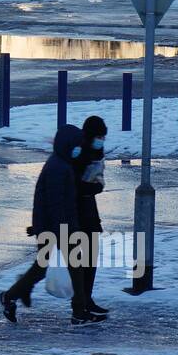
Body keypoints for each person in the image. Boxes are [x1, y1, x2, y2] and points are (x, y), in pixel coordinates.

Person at [0, 124, 104, 325]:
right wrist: (65, 230)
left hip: (54, 227)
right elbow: (55, 204)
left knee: (45, 267)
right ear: (67, 145)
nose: (78, 149)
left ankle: (11, 297)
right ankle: (78, 312)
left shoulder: (61, 163)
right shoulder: (58, 167)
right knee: (70, 266)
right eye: (76, 145)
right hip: (55, 228)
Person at [74, 115, 108, 317]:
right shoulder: (78, 154)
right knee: (81, 261)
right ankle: (81, 304)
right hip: (79, 212)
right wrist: (94, 187)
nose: (101, 140)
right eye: (99, 136)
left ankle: (86, 299)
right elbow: (74, 185)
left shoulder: (95, 151)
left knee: (90, 260)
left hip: (89, 212)